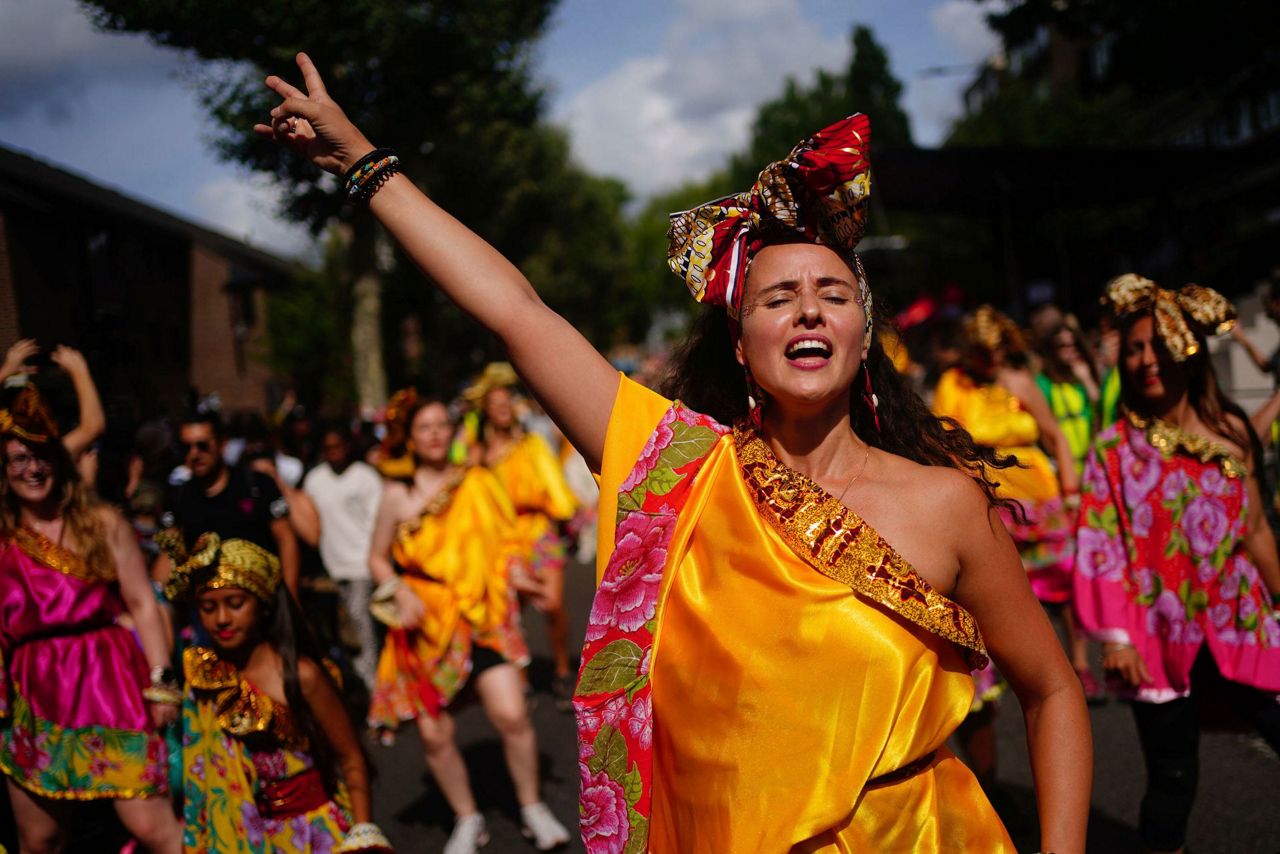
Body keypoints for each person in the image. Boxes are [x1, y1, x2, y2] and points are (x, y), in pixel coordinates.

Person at [257, 55, 1090, 853]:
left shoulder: (945, 503)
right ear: (740, 341)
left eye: (833, 295)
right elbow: (518, 312)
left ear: (863, 335)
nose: (807, 311)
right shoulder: (676, 469)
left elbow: (1051, 690)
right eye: (777, 297)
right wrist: (367, 168)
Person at [1074, 274, 1280, 854]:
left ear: (1189, 353)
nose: (1145, 360)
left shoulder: (1233, 433)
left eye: (1157, 346)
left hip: (1243, 622)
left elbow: (1256, 529)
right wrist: (1115, 638)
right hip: (1156, 638)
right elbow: (1101, 544)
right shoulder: (1114, 449)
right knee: (1173, 780)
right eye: (1134, 348)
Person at [365, 394, 569, 852]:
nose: (436, 433)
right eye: (425, 427)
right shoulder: (396, 496)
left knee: (512, 714)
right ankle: (467, 818)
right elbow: (377, 559)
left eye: (442, 425)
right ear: (410, 439)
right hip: (428, 627)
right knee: (436, 736)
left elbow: (505, 544)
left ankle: (532, 807)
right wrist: (398, 591)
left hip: (482, 619)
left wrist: (519, 576)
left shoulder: (477, 482)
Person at [0, 384, 181, 853]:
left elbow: (143, 602)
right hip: (32, 692)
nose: (32, 469)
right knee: (41, 837)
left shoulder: (103, 523)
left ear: (59, 460)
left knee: (152, 826)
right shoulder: (3, 538)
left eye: (41, 456)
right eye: (18, 458)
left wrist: (161, 680)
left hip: (109, 683)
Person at [161, 532, 393, 854]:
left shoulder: (301, 676)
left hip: (312, 834)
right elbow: (198, 775)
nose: (222, 619)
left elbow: (351, 757)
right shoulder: (204, 678)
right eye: (208, 607)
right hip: (241, 838)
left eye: (235, 603)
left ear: (264, 605)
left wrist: (363, 834)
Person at [475, 382, 578, 709]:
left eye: (508, 401)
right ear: (486, 411)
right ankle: (522, 682)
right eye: (497, 403)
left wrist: (565, 514)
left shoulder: (532, 444)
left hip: (538, 532)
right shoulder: (481, 456)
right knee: (510, 615)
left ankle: (562, 669)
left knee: (553, 605)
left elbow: (554, 487)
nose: (504, 407)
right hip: (504, 540)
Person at [156, 410, 299, 596]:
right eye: (186, 447)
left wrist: (291, 596)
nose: (194, 454)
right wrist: (155, 599)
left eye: (202, 445)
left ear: (222, 444)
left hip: (261, 597)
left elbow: (286, 540)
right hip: (207, 604)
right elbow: (168, 555)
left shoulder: (256, 485)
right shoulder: (179, 496)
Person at [303, 425, 383, 690]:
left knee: (363, 633)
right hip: (331, 572)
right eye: (328, 448)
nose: (334, 453)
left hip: (361, 567)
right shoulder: (314, 480)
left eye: (338, 446)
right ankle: (358, 688)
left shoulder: (365, 478)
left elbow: (377, 523)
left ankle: (374, 691)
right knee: (341, 635)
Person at [1, 340, 106, 462]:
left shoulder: (7, 458)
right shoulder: (52, 459)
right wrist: (79, 369)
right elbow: (92, 427)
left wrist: (7, 369)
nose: (33, 468)